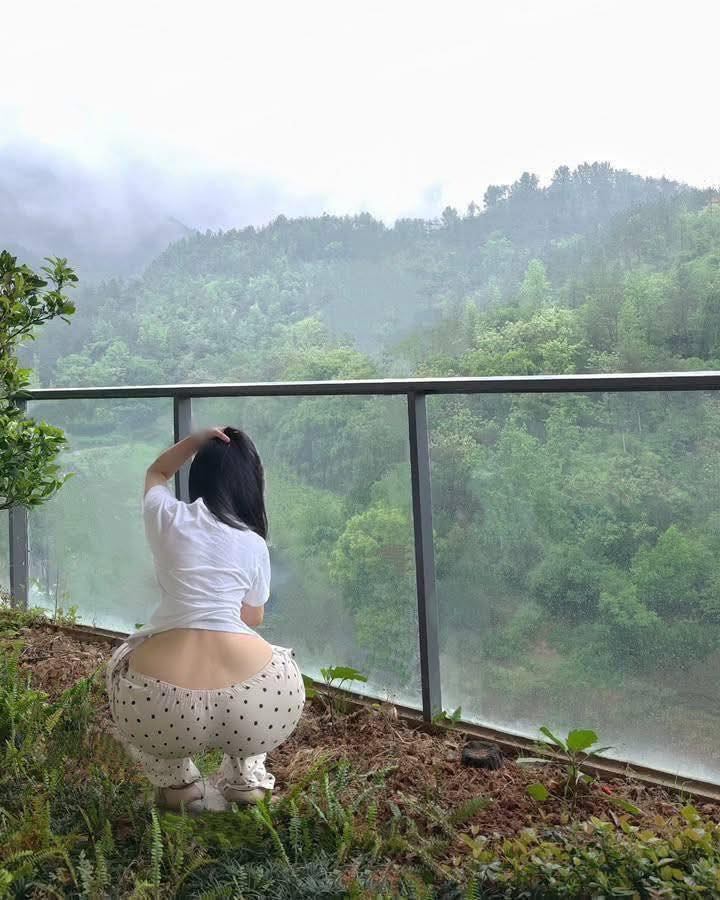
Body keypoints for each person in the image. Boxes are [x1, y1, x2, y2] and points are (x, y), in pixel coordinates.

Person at [106, 426, 305, 813]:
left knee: (124, 661)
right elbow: (253, 617)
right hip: (260, 703)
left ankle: (177, 783)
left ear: (199, 475)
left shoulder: (167, 516)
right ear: (250, 484)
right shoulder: (254, 543)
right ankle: (245, 779)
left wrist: (196, 440)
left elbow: (157, 472)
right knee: (269, 659)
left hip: (162, 708)